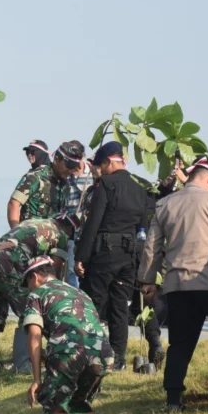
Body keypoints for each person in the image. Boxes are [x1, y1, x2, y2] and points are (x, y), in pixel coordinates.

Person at [137, 156, 208, 412]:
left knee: (179, 344)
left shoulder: (164, 203)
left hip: (178, 286)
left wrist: (147, 281)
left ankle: (173, 400)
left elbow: (152, 248)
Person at [23, 256, 112, 414]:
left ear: (35, 277)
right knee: (79, 402)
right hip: (103, 352)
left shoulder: (37, 294)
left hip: (68, 349)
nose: (27, 288)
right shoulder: (79, 292)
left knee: (54, 407)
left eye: (27, 282)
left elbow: (34, 335)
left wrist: (37, 379)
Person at [74, 141, 155, 371]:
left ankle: (91, 354)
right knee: (120, 306)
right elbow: (143, 228)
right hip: (128, 257)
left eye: (101, 166)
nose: (100, 171)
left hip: (103, 255)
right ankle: (118, 359)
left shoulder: (106, 185)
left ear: (110, 161)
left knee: (93, 305)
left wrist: (82, 257)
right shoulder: (140, 188)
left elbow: (93, 223)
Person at [0, 214, 78, 379]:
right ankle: (23, 364)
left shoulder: (34, 221)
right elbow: (55, 269)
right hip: (8, 268)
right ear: (69, 229)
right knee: (28, 314)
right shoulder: (59, 235)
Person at [47, 141, 90, 286]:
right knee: (70, 271)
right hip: (70, 233)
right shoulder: (63, 176)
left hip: (87, 234)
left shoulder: (94, 174)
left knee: (85, 271)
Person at [7, 140, 53, 226]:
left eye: (33, 152)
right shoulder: (56, 173)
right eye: (27, 152)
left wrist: (15, 233)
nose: (29, 155)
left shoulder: (33, 176)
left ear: (42, 153)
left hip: (31, 231)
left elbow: (13, 203)